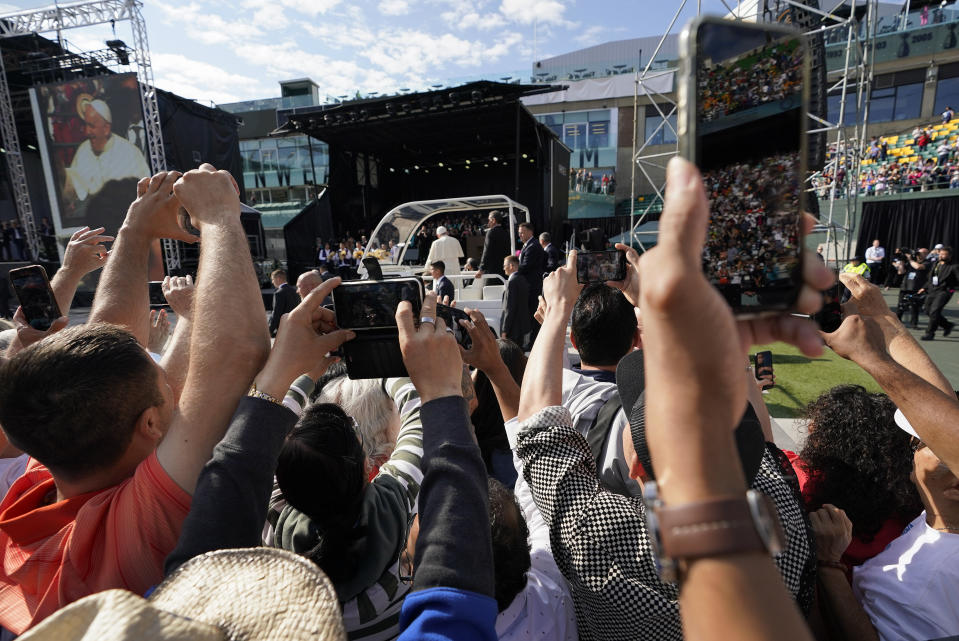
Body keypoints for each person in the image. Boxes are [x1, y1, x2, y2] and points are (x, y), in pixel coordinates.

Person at [0, 166, 270, 634]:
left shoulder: (41, 479)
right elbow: (236, 352)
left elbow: (110, 332)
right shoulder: (130, 532)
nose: (170, 377)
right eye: (163, 383)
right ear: (149, 425)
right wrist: (220, 217)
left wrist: (137, 230)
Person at [63, 98, 151, 204]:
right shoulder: (83, 150)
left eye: (91, 126)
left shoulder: (130, 152)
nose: (87, 132)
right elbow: (75, 193)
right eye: (85, 125)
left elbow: (146, 193)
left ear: (106, 129)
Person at [918, 246, 958, 340]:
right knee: (928, 310)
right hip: (932, 291)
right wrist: (924, 288)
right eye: (940, 254)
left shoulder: (954, 267)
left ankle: (930, 333)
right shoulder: (936, 264)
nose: (941, 256)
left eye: (944, 254)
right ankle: (947, 325)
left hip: (946, 291)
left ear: (950, 256)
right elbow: (931, 278)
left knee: (934, 311)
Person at [501, 256, 530, 349]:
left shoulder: (513, 282)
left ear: (511, 266)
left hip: (513, 329)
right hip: (522, 326)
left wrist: (505, 330)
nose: (503, 268)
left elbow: (510, 308)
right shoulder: (522, 279)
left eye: (505, 265)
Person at [897, 249, 928, 328]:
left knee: (915, 307)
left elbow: (918, 267)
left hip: (916, 288)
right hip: (905, 287)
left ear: (926, 254)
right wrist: (902, 262)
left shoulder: (927, 262)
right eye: (919, 253)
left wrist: (910, 259)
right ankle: (897, 322)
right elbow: (900, 272)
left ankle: (914, 324)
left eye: (921, 253)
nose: (919, 255)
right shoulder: (910, 262)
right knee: (901, 306)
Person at [476, 211, 510, 282]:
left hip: (492, 271)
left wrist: (481, 269)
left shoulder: (491, 232)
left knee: (488, 292)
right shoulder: (506, 232)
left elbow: (487, 251)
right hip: (505, 270)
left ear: (493, 220)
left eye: (489, 220)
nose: (488, 222)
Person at [269, 269, 300, 338]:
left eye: (273, 279)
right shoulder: (294, 291)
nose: (272, 282)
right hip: (295, 327)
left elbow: (276, 313)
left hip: (283, 329)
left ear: (278, 279)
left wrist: (269, 330)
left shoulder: (279, 293)